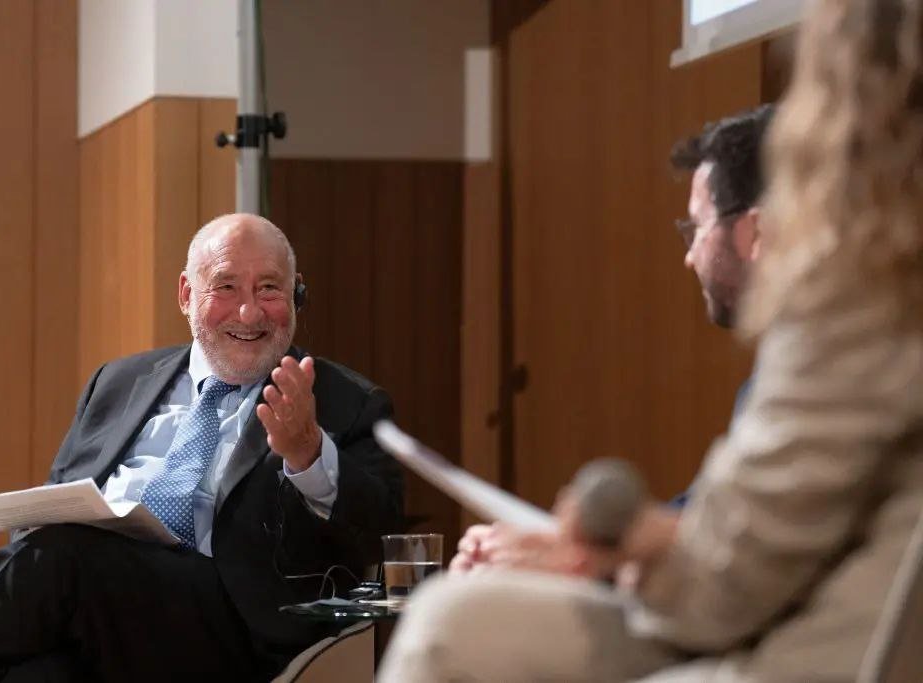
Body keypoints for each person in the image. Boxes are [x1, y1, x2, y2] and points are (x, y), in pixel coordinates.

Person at [378, 0, 923, 679]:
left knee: (447, 622)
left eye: (694, 232)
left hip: (799, 652)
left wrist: (609, 547)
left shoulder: (870, 291)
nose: (688, 258)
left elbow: (726, 580)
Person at [0, 214, 404, 682]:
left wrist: (308, 453)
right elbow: (57, 504)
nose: (250, 312)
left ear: (296, 297)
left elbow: (377, 531)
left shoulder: (343, 401)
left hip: (236, 629)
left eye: (269, 289)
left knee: (59, 554)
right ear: (187, 294)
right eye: (225, 287)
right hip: (101, 613)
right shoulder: (117, 383)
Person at [451, 105, 774, 575]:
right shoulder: (789, 359)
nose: (690, 257)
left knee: (454, 613)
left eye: (697, 227)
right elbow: (712, 510)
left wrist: (590, 555)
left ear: (755, 230)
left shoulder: (825, 364)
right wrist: (553, 543)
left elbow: (748, 541)